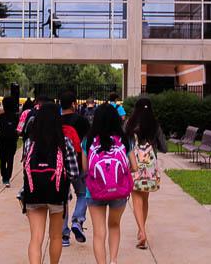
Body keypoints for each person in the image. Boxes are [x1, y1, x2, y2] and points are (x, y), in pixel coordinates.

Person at [21, 103, 79, 264]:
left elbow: (26, 170)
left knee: (35, 238)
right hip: (57, 194)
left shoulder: (29, 143)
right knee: (55, 236)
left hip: (34, 194)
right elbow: (74, 173)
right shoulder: (64, 142)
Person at [82, 103, 136, 264]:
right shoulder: (124, 140)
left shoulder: (88, 140)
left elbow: (85, 168)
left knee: (99, 233)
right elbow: (135, 166)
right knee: (114, 225)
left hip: (95, 191)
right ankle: (113, 260)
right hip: (119, 191)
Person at [125, 97, 167, 250]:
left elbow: (123, 142)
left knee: (136, 199)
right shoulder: (155, 124)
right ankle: (141, 229)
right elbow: (164, 147)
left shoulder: (129, 123)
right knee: (145, 198)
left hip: (134, 165)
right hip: (150, 167)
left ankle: (142, 231)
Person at [59, 91, 90, 247]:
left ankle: (64, 235)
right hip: (78, 164)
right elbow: (87, 144)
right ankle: (77, 220)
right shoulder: (82, 121)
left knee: (63, 199)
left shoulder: (55, 120)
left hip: (60, 166)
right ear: (73, 104)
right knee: (83, 193)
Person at [0, 96, 19, 187]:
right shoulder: (16, 117)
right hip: (12, 140)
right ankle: (8, 177)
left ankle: (4, 177)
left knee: (2, 159)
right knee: (10, 159)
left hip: (2, 140)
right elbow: (18, 130)